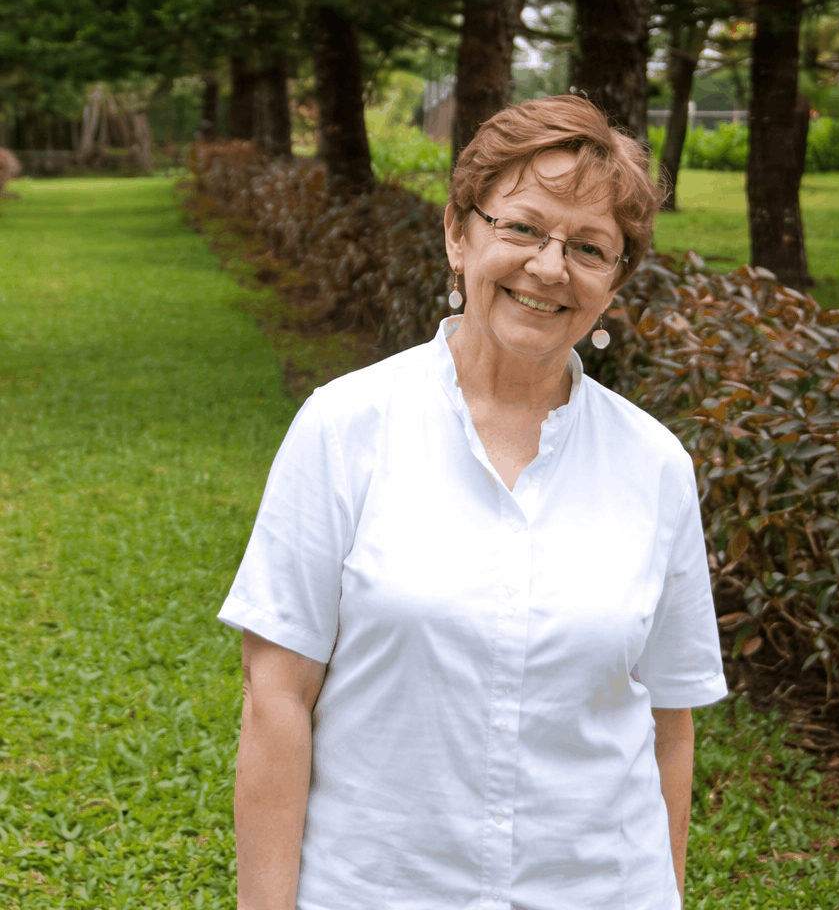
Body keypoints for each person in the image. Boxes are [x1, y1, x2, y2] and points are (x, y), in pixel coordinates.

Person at [218, 95, 727, 910]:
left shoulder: (655, 465)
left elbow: (670, 726)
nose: (550, 268)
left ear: (615, 280)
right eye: (521, 228)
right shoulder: (345, 427)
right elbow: (276, 699)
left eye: (589, 247)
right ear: (459, 234)